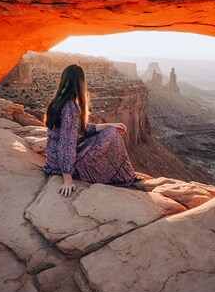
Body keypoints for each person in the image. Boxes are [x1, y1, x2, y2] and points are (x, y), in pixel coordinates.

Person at [43, 64, 143, 197]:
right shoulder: (70, 108)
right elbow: (66, 144)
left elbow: (84, 129)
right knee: (112, 135)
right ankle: (123, 176)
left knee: (110, 131)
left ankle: (123, 175)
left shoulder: (59, 101)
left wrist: (110, 124)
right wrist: (68, 180)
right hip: (62, 163)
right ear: (80, 83)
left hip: (54, 159)